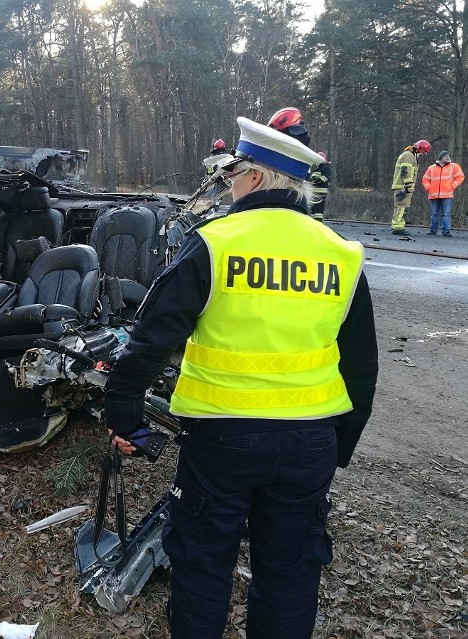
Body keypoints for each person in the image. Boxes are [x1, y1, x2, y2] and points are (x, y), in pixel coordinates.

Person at [104, 116, 378, 639]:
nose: (228, 184)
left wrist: (124, 418)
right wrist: (339, 446)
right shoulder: (341, 254)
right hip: (309, 441)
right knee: (291, 574)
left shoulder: (215, 242)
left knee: (202, 565)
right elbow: (361, 364)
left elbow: (149, 343)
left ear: (254, 178)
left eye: (234, 174)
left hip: (221, 442)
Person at [391, 139, 431, 234]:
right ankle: (398, 227)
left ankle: (397, 225)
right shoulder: (409, 156)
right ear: (419, 149)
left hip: (402, 185)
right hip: (403, 186)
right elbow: (405, 171)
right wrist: (408, 185)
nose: (422, 154)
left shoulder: (409, 155)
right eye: (423, 152)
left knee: (400, 206)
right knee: (401, 206)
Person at [421, 150, 463, 237]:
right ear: (440, 157)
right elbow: (425, 179)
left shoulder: (454, 166)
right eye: (445, 156)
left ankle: (446, 231)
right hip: (434, 194)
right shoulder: (431, 168)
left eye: (449, 156)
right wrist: (429, 188)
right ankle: (433, 230)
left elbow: (460, 177)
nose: (448, 158)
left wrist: (452, 186)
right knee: (434, 213)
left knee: (446, 213)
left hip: (447, 194)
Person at [310, 151, 332, 221]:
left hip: (320, 192)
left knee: (318, 210)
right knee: (314, 209)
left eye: (320, 156)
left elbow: (324, 178)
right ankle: (314, 222)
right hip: (314, 192)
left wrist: (313, 183)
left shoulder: (326, 167)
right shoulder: (317, 167)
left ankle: (318, 222)